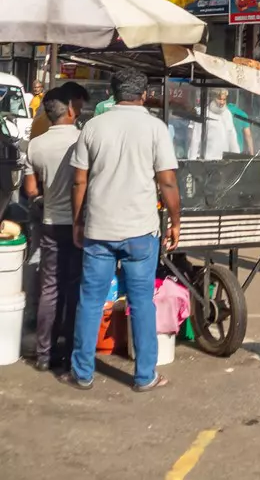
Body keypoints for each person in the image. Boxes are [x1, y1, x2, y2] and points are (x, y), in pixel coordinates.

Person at [67, 69, 179, 392]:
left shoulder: (92, 127)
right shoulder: (156, 128)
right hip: (141, 232)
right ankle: (145, 376)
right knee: (143, 302)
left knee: (90, 300)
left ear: (113, 93)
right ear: (143, 94)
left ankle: (83, 372)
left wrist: (78, 221)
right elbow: (168, 181)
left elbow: (79, 181)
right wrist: (176, 221)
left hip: (99, 228)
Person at [22, 82, 87, 374]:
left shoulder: (35, 145)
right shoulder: (83, 139)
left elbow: (31, 188)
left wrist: (42, 199)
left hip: (48, 223)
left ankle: (45, 354)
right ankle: (70, 350)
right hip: (78, 224)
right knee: (74, 288)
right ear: (70, 110)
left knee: (50, 289)